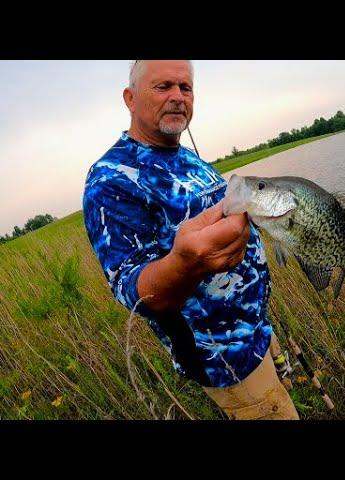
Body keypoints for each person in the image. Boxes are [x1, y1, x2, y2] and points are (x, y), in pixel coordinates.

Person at [82, 60, 299, 420]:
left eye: (186, 88)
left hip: (258, 328)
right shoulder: (110, 180)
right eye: (163, 86)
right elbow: (133, 293)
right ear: (130, 98)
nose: (178, 97)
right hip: (223, 358)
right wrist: (185, 264)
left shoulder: (185, 157)